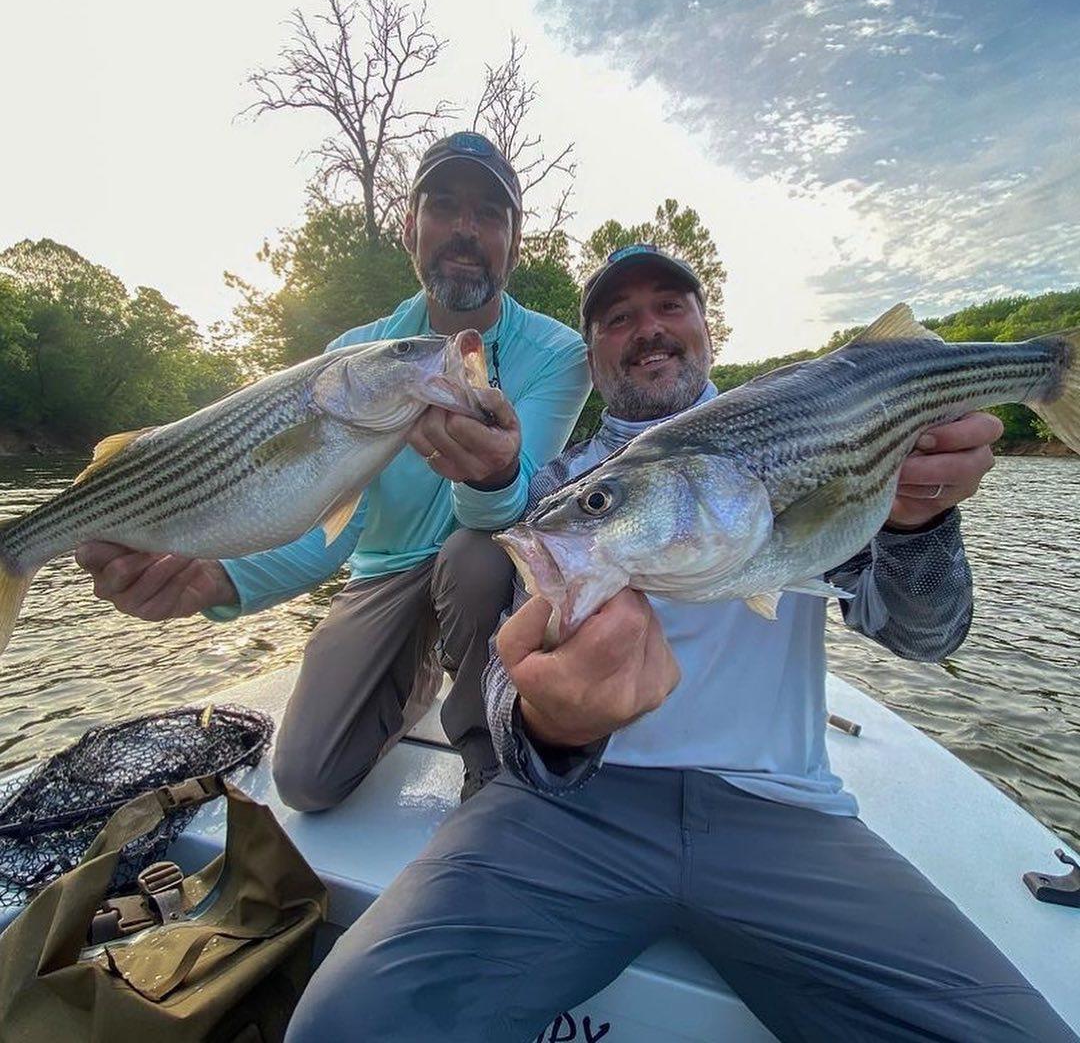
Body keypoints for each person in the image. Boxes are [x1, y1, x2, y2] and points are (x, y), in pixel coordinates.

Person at [285, 245, 1076, 1041]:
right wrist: (549, 727)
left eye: (671, 305)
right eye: (617, 318)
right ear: (592, 356)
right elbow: (500, 676)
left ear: (706, 327)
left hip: (784, 817)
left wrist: (922, 518)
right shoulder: (564, 492)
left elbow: (925, 637)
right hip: (573, 814)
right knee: (344, 1023)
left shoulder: (812, 429)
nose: (648, 330)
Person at [74, 132, 591, 807]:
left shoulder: (559, 352)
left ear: (515, 243)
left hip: (490, 574)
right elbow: (339, 529)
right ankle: (413, 677)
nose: (465, 230)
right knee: (308, 780)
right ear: (410, 228)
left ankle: (490, 762)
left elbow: (513, 508)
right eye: (443, 207)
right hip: (385, 574)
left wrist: (490, 476)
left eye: (490, 214)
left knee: (476, 555)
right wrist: (219, 577)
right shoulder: (352, 355)